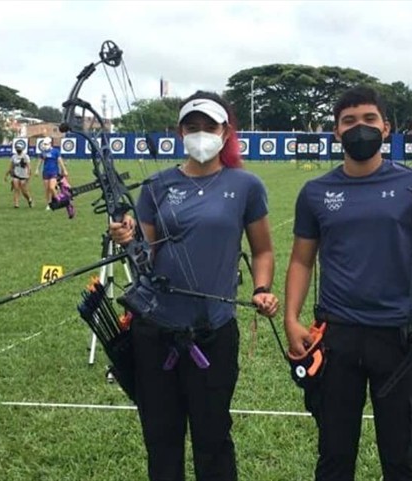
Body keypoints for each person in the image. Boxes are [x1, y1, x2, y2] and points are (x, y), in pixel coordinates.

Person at [283, 86, 412, 481]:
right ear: (336, 132)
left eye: (369, 119)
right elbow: (301, 259)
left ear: (386, 127)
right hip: (337, 336)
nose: (359, 128)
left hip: (400, 337)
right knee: (334, 456)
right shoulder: (316, 192)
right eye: (349, 121)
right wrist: (291, 319)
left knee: (402, 459)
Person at [109, 90, 279, 481]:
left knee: (214, 437)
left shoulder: (246, 185)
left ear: (226, 131)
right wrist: (127, 237)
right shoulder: (156, 186)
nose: (201, 134)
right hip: (154, 332)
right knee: (161, 439)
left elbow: (263, 250)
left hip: (213, 331)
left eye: (210, 126)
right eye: (192, 127)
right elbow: (144, 257)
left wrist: (261, 288)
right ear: (179, 131)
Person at [35, 137, 67, 210]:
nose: (45, 145)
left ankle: (58, 200)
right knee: (47, 190)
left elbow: (60, 161)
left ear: (50, 144)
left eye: (46, 144)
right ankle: (49, 204)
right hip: (46, 172)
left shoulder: (56, 151)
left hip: (54, 172)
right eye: (44, 144)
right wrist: (37, 169)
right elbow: (40, 161)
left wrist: (64, 170)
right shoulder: (43, 152)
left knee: (52, 187)